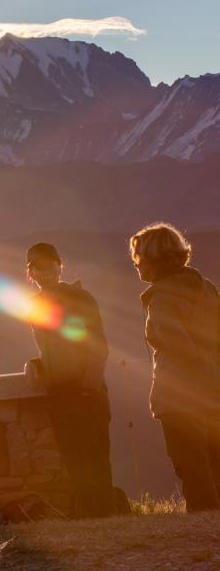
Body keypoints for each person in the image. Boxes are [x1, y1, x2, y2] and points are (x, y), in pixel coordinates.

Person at [129, 222, 220, 512]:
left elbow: (179, 348)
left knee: (192, 467)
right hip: (214, 392)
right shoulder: (206, 289)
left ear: (155, 261)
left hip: (180, 397)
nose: (137, 267)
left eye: (139, 260)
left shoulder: (162, 300)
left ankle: (202, 530)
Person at [25, 242, 114, 518]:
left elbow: (97, 345)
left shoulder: (79, 297)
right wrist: (35, 364)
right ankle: (91, 517)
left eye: (51, 264)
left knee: (95, 455)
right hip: (60, 392)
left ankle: (105, 516)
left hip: (86, 391)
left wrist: (89, 386)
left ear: (60, 265)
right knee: (73, 457)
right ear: (31, 273)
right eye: (39, 266)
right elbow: (52, 349)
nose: (46, 270)